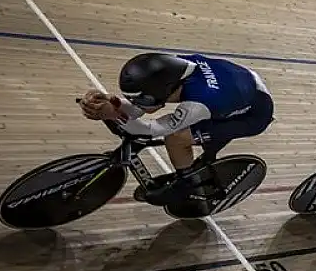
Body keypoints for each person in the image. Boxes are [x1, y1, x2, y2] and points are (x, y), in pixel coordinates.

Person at [78, 52, 274, 205]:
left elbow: (151, 129)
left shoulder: (200, 103)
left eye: (141, 98)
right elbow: (140, 106)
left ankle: (187, 184)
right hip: (236, 87)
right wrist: (110, 104)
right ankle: (200, 162)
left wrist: (114, 114)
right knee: (180, 130)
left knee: (177, 137)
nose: (135, 103)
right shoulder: (175, 67)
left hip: (251, 116)